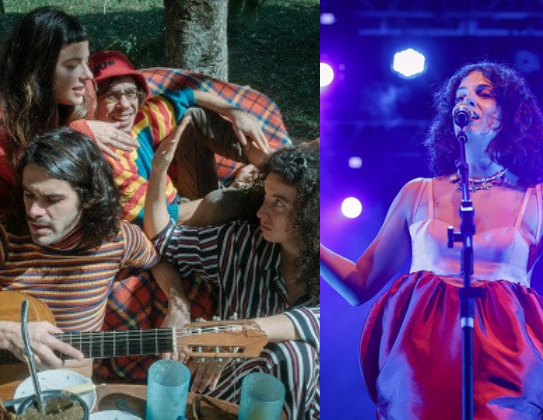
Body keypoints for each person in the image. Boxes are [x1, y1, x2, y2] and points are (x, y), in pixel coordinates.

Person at [320, 61, 543, 419]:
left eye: (482, 94)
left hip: (506, 361)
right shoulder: (417, 193)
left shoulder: (542, 199)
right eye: (460, 95)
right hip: (420, 356)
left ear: (508, 114)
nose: (467, 101)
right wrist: (310, 241)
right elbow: (359, 284)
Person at [144, 120, 320, 420]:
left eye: (278, 203)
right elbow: (164, 239)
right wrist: (159, 170)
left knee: (294, 355)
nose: (261, 211)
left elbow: (316, 322)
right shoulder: (239, 243)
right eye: (265, 197)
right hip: (222, 395)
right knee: (291, 356)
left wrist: (235, 335)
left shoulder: (335, 270)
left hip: (300, 404)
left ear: (311, 211)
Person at [0, 128, 186, 373]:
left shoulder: (117, 239)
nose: (34, 210)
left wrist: (179, 306)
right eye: (29, 194)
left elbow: (159, 263)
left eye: (51, 199)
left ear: (88, 198)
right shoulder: (6, 239)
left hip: (71, 390)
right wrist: (8, 332)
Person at [89, 50, 271, 226]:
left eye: (130, 93)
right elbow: (160, 217)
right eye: (111, 96)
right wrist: (236, 191)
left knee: (192, 116)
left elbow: (191, 96)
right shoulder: (104, 160)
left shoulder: (140, 119)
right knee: (225, 201)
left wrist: (236, 114)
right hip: (167, 223)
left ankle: (274, 162)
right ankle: (260, 192)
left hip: (180, 198)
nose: (125, 105)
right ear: (92, 102)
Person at [0, 6, 137, 217]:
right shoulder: (5, 121)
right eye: (72, 65)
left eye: (86, 61)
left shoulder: (83, 95)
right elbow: (35, 184)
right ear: (38, 70)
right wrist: (77, 135)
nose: (88, 74)